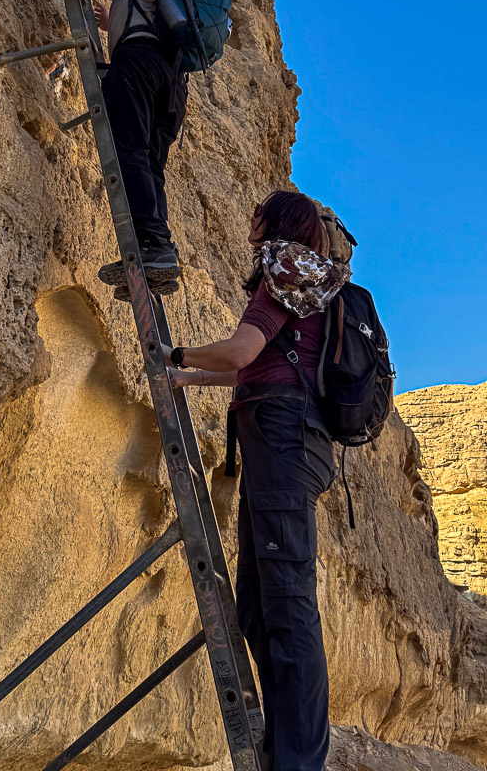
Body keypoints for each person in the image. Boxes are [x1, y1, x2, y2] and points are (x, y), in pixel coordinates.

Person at [163, 191, 347, 771]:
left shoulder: (284, 272)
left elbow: (243, 353)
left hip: (283, 443)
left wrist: (172, 351)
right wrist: (189, 378)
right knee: (257, 606)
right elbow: (266, 367)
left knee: (288, 605)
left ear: (279, 224)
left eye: (259, 211)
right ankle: (283, 746)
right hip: (290, 443)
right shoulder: (310, 283)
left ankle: (299, 761)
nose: (249, 219)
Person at [48, 0, 186, 292]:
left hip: (138, 64)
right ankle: (160, 252)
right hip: (173, 82)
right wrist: (112, 21)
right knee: (152, 166)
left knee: (128, 151)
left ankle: (152, 245)